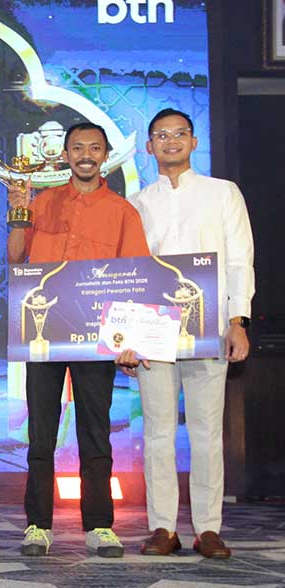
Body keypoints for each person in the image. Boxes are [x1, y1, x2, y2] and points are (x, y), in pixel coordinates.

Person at [7, 122, 150, 558]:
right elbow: (16, 258)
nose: (86, 155)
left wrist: (131, 340)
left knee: (95, 433)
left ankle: (100, 525)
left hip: (97, 337)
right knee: (40, 435)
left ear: (105, 156)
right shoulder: (42, 203)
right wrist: (19, 214)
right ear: (65, 155)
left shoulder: (123, 211)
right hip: (44, 334)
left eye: (94, 148)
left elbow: (136, 276)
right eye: (77, 148)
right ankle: (37, 524)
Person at [117, 108, 254, 559]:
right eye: (161, 135)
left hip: (209, 326)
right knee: (157, 432)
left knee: (206, 432)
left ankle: (208, 528)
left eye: (180, 133)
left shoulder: (222, 193)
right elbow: (128, 272)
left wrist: (238, 320)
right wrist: (126, 337)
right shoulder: (136, 202)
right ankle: (162, 527)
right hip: (152, 331)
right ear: (149, 147)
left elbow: (239, 260)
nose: (171, 141)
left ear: (194, 142)